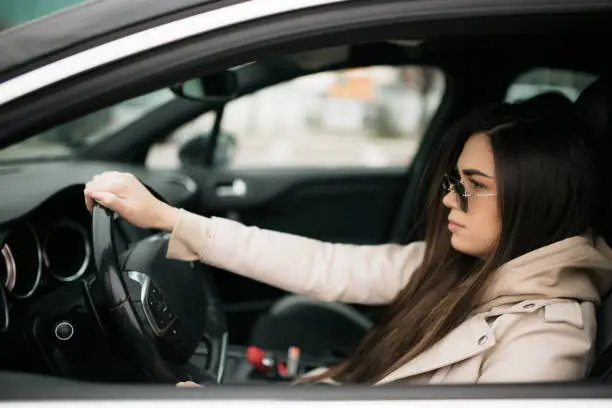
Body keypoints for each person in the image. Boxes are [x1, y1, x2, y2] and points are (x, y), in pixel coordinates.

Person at [84, 93, 612, 386]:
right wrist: (172, 219)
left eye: (473, 187)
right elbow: (327, 265)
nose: (450, 200)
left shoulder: (550, 341)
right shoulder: (467, 266)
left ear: (535, 199)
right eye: (453, 181)